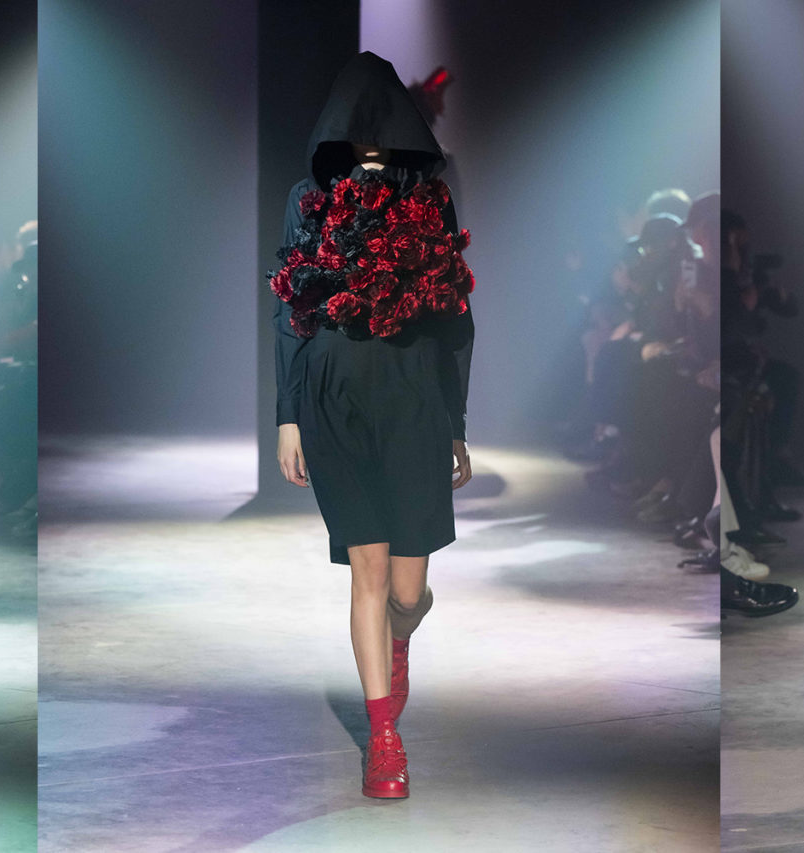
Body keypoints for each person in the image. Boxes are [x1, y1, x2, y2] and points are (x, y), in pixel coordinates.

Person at [269, 51, 474, 801]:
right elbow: (291, 309)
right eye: (359, 123)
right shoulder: (309, 199)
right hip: (334, 397)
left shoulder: (429, 199)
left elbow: (454, 314)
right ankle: (384, 740)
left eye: (383, 120)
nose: (372, 135)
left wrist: (456, 421)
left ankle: (400, 640)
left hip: (414, 397)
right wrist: (288, 414)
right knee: (370, 571)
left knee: (408, 592)